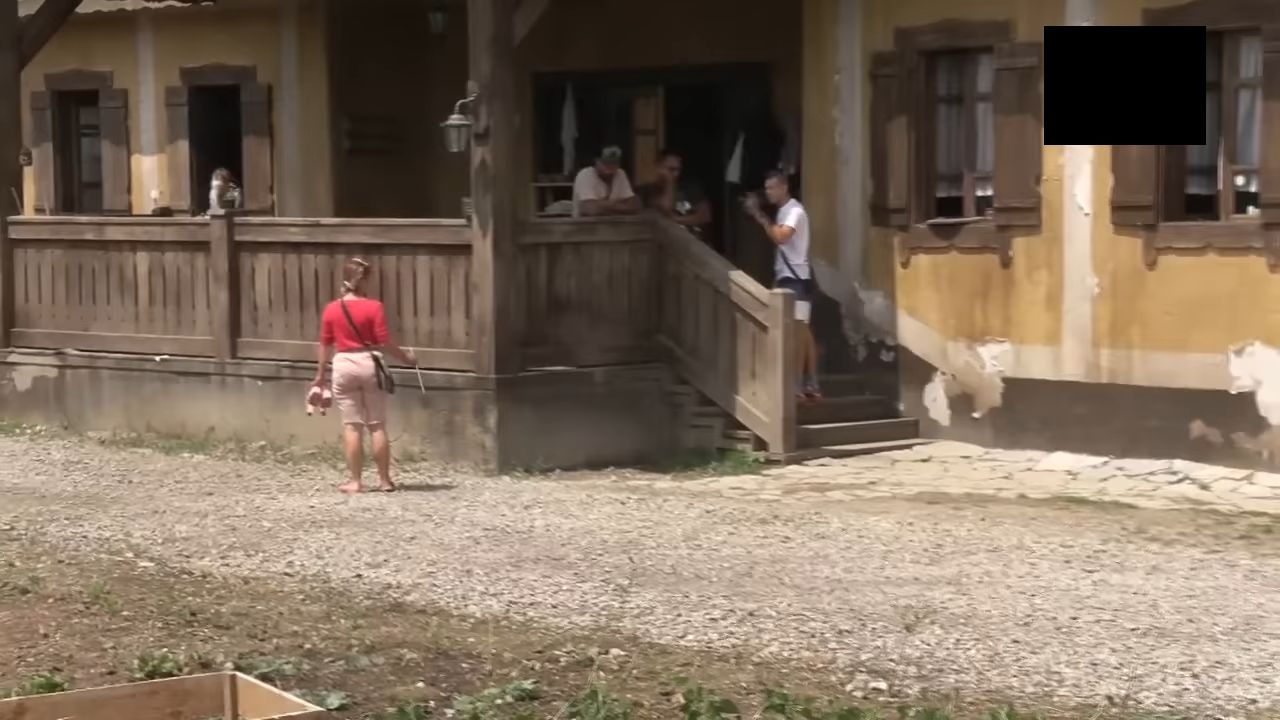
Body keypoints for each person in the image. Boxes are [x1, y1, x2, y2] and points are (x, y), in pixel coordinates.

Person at [312, 258, 415, 494]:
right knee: (377, 425)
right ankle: (385, 480)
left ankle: (356, 481)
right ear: (365, 280)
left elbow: (325, 344)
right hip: (370, 363)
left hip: (344, 364)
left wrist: (320, 376)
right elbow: (384, 341)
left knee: (352, 426)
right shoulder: (374, 307)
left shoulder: (332, 308)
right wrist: (407, 358)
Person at [742, 170, 821, 400]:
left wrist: (759, 215)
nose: (768, 192)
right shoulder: (783, 211)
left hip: (796, 279)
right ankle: (809, 382)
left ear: (784, 188)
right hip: (788, 277)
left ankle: (800, 382)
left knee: (800, 333)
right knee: (802, 332)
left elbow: (782, 236)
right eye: (766, 188)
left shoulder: (794, 211)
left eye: (772, 188)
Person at [639, 148, 711, 237]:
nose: (676, 174)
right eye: (671, 169)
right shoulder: (648, 191)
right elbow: (666, 208)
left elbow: (705, 216)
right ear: (658, 167)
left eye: (678, 170)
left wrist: (676, 219)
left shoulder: (689, 187)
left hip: (691, 239)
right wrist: (669, 184)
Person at [572, 145, 641, 216]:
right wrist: (619, 205)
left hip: (615, 222)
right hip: (584, 223)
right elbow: (590, 209)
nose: (610, 166)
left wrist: (602, 205)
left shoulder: (620, 173)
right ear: (596, 161)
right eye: (605, 162)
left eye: (614, 162)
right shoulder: (585, 174)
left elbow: (635, 205)